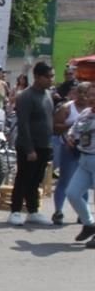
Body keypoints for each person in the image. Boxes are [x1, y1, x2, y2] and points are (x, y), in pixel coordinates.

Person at [8, 62, 55, 226]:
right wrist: (29, 149)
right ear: (37, 77)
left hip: (44, 145)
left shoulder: (47, 94)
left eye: (52, 76)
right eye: (48, 77)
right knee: (23, 178)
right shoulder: (26, 96)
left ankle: (33, 211)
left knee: (36, 180)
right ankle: (15, 211)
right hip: (29, 146)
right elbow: (24, 124)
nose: (51, 80)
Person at [65, 82, 95, 246]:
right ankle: (89, 224)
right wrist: (70, 137)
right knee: (73, 193)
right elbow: (75, 129)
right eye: (90, 95)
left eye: (94, 96)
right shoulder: (85, 113)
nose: (92, 99)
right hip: (84, 159)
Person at [52, 81, 86, 225]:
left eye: (88, 94)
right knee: (65, 180)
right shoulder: (67, 108)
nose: (85, 97)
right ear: (76, 93)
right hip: (69, 149)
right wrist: (71, 125)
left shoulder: (91, 109)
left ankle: (83, 213)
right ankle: (58, 211)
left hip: (87, 151)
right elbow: (55, 128)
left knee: (85, 182)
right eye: (81, 93)